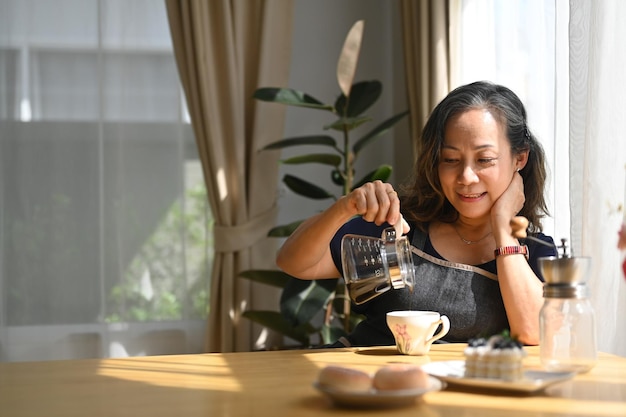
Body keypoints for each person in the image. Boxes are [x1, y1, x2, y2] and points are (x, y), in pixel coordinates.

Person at [276, 81, 556, 347]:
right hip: (367, 384)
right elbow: (295, 263)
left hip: (458, 394)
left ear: (520, 158)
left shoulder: (534, 250)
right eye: (451, 160)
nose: (466, 177)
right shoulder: (401, 228)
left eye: (484, 160)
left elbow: (533, 332)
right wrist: (344, 207)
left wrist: (503, 229)